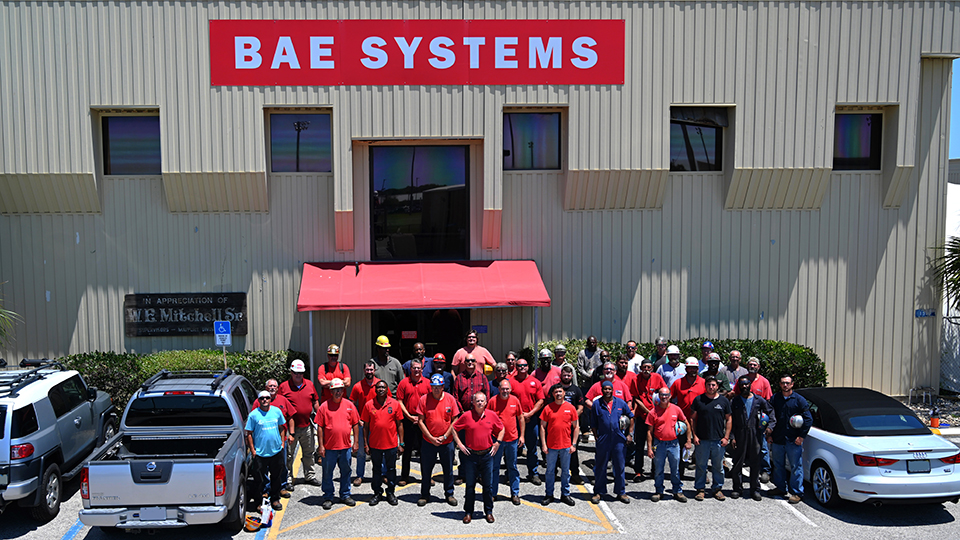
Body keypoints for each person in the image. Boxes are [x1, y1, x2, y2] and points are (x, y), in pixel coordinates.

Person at [453, 392, 505, 524]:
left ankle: (488, 512)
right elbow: (454, 428)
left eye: (482, 401)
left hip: (487, 455)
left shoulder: (492, 415)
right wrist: (459, 444)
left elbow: (502, 429)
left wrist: (498, 442)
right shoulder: (466, 416)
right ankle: (468, 512)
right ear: (473, 402)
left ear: (486, 402)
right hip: (471, 456)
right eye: (478, 401)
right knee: (470, 486)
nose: (480, 403)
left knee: (487, 486)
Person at [417, 373, 462, 507]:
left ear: (443, 387)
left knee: (448, 469)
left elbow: (455, 420)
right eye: (434, 386)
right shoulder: (424, 399)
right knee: (426, 469)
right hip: (428, 442)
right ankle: (425, 495)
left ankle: (449, 494)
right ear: (430, 387)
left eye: (439, 386)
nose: (436, 389)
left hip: (446, 442)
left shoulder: (450, 399)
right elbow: (420, 421)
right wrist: (431, 437)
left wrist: (445, 436)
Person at [315, 378, 360, 509]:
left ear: (343, 391)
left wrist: (356, 442)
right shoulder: (324, 406)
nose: (338, 392)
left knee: (346, 471)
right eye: (335, 390)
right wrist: (321, 445)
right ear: (331, 391)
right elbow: (320, 427)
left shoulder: (349, 405)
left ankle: (345, 494)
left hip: (345, 447)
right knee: (327, 472)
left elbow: (355, 424)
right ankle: (328, 496)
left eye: (340, 390)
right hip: (329, 448)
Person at [768, 375, 812, 504]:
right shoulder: (775, 398)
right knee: (778, 465)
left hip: (793, 440)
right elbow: (770, 416)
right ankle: (780, 488)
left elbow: (808, 419)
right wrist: (769, 434)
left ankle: (797, 492)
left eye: (787, 383)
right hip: (777, 438)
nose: (785, 385)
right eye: (783, 383)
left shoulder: (799, 400)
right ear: (780, 385)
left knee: (795, 466)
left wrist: (801, 436)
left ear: (792, 384)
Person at [730, 376, 775, 501]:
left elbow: (770, 413)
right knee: (738, 463)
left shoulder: (759, 400)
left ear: (750, 385)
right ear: (739, 386)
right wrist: (732, 436)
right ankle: (737, 489)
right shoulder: (735, 401)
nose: (744, 386)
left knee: (755, 463)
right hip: (740, 434)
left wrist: (769, 428)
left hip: (755, 434)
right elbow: (730, 420)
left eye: (746, 384)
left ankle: (755, 490)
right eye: (742, 384)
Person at [361, 379, 403, 506]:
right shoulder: (369, 405)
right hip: (375, 444)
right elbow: (366, 426)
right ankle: (377, 493)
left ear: (387, 390)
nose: (381, 389)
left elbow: (400, 424)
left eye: (383, 387)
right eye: (378, 387)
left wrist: (401, 443)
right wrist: (365, 444)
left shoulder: (395, 404)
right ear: (375, 390)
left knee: (391, 469)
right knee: (376, 470)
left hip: (391, 444)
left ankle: (390, 492)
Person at [590, 380, 633, 504]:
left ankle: (621, 492)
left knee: (619, 466)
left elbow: (631, 416)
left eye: (609, 389)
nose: (607, 391)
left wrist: (630, 434)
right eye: (605, 389)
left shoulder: (620, 403)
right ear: (602, 390)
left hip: (618, 439)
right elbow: (593, 423)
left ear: (612, 390)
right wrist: (596, 436)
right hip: (603, 439)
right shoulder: (597, 404)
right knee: (600, 466)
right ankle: (598, 492)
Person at [646, 387, 692, 502]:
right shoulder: (653, 412)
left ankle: (677, 491)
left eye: (666, 395)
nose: (664, 397)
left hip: (674, 444)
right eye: (662, 395)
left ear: (670, 396)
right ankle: (659, 491)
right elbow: (649, 432)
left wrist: (688, 440)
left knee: (675, 469)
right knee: (658, 469)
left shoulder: (676, 409)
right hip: (659, 443)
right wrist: (650, 448)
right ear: (658, 396)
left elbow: (687, 423)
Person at [690, 376, 732, 501]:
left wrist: (726, 437)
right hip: (702, 439)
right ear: (706, 386)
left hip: (718, 440)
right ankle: (700, 489)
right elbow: (692, 419)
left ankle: (717, 489)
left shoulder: (724, 401)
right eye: (709, 385)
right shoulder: (698, 400)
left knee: (718, 466)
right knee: (701, 465)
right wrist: (694, 435)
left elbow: (729, 419)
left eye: (713, 385)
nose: (711, 387)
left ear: (717, 386)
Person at [279, 359, 319, 487]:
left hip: (307, 425)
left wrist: (320, 416)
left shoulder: (309, 384)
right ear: (291, 372)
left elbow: (315, 402)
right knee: (289, 455)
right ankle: (289, 479)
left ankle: (309, 475)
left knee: (309, 452)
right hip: (291, 429)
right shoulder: (283, 387)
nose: (298, 375)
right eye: (296, 372)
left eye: (301, 373)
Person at [245, 390, 287, 512]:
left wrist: (282, 443)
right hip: (260, 453)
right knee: (259, 480)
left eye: (267, 398)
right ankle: (259, 502)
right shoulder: (253, 415)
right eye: (262, 398)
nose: (265, 400)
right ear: (258, 400)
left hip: (276, 451)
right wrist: (253, 450)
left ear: (270, 399)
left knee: (276, 477)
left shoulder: (277, 411)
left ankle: (275, 499)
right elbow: (249, 433)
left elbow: (282, 427)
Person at [251, 379, 293, 497]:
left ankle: (281, 488)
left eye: (275, 386)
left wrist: (290, 436)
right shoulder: (257, 404)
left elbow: (286, 422)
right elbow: (251, 425)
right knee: (262, 470)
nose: (272, 388)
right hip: (262, 445)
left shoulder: (281, 403)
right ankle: (265, 489)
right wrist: (253, 448)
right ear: (266, 387)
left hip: (278, 444)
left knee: (281, 467)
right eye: (270, 386)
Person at [540, 384, 579, 507]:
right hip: (551, 446)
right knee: (550, 471)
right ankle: (549, 495)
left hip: (566, 446)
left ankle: (565, 494)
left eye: (560, 391)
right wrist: (543, 444)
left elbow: (576, 427)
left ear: (564, 393)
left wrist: (574, 444)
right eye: (556, 392)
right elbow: (542, 427)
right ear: (553, 394)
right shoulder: (547, 408)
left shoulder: (571, 408)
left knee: (566, 472)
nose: (558, 394)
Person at [508, 358, 545, 485]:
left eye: (524, 365)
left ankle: (533, 473)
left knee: (532, 448)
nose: (522, 367)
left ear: (528, 367)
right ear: (516, 368)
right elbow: (507, 399)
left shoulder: (535, 382)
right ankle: (510, 473)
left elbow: (540, 400)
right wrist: (519, 415)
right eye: (519, 366)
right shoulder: (510, 382)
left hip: (531, 419)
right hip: (514, 420)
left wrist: (530, 413)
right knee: (511, 448)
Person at [395, 359, 432, 486]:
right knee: (407, 449)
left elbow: (431, 402)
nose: (416, 370)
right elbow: (399, 401)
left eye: (419, 368)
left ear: (422, 369)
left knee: (425, 451)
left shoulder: (427, 383)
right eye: (414, 368)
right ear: (410, 369)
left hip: (423, 421)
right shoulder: (403, 383)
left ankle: (426, 477)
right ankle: (404, 476)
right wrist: (410, 416)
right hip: (408, 420)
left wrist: (421, 418)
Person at [629, 358, 665, 481]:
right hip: (642, 417)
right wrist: (647, 411)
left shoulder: (657, 378)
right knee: (640, 446)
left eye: (649, 367)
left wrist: (657, 411)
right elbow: (635, 398)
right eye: (644, 367)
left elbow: (664, 393)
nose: (646, 370)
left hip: (656, 418)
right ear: (640, 368)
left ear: (652, 369)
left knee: (655, 445)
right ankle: (639, 471)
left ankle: (655, 471)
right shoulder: (635, 379)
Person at [490, 378, 524, 505]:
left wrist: (522, 436)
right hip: (497, 440)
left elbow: (520, 418)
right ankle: (493, 493)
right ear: (499, 389)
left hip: (512, 439)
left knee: (512, 467)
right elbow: (487, 419)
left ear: (510, 389)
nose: (505, 391)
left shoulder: (515, 400)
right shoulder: (493, 401)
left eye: (507, 389)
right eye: (503, 389)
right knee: (495, 467)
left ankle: (515, 493)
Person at [349, 360, 382, 487]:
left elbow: (387, 400)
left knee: (380, 452)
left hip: (377, 425)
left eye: (371, 369)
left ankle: (381, 474)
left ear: (375, 370)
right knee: (361, 452)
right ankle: (359, 475)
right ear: (364, 371)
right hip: (363, 425)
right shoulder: (358, 386)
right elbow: (352, 404)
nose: (369, 372)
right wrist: (357, 419)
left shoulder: (380, 385)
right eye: (367, 369)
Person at [558, 364, 584, 484]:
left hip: (572, 426)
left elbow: (581, 408)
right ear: (561, 375)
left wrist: (571, 418)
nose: (566, 377)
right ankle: (553, 474)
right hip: (557, 426)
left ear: (572, 376)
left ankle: (575, 474)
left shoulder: (576, 390)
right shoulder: (556, 389)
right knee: (555, 450)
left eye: (568, 375)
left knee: (573, 450)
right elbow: (549, 406)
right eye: (564, 375)